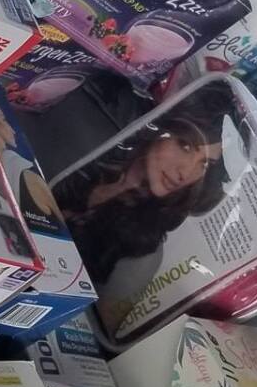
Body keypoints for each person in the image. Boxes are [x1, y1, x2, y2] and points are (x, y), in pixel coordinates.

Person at [55, 85, 236, 284]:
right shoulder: (94, 143)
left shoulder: (140, 238)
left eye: (204, 163)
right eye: (185, 146)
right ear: (161, 127)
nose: (185, 173)